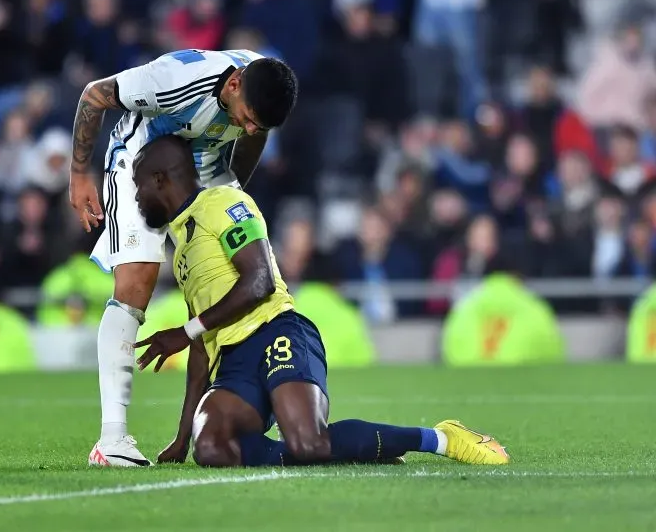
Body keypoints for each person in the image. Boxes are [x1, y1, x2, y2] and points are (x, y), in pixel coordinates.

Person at [133, 136, 510, 468]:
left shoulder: (225, 202)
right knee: (212, 449)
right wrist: (182, 438)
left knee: (309, 443)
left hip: (276, 331)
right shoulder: (181, 245)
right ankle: (350, 448)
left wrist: (185, 331)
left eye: (137, 186)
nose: (135, 198)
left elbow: (260, 281)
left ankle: (440, 438)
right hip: (232, 362)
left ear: (160, 179)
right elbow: (200, 342)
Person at [68, 47, 298, 466]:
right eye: (246, 117)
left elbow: (256, 132)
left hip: (205, 170)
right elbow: (94, 94)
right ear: (232, 85)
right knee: (137, 280)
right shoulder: (173, 80)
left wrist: (230, 195)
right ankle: (112, 438)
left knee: (241, 277)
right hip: (142, 167)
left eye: (257, 125)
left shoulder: (259, 87)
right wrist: (80, 174)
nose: (247, 128)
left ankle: (268, 391)